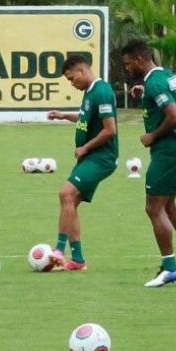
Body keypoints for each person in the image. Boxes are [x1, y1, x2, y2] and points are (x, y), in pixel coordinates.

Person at [119, 40, 176, 287]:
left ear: (139, 60)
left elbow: (174, 116)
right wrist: (144, 92)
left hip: (168, 152)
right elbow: (171, 100)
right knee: (168, 205)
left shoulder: (155, 82)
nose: (127, 69)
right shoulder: (165, 75)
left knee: (153, 207)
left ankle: (169, 268)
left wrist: (152, 136)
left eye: (128, 64)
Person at [46, 55, 119, 271]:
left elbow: (110, 129)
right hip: (91, 158)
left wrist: (85, 148)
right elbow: (86, 117)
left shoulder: (102, 91)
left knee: (66, 194)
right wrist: (63, 116)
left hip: (101, 157)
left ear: (82, 71)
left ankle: (58, 250)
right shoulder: (90, 93)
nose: (71, 83)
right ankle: (77, 260)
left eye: (71, 78)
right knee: (71, 203)